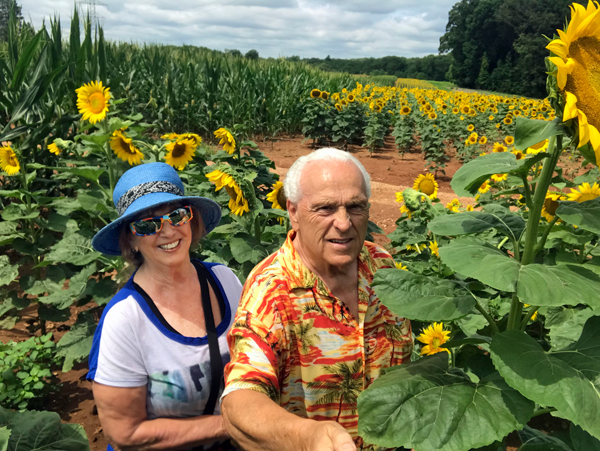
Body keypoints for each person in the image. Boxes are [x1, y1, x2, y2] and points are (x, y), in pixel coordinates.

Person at [221, 148, 413, 451]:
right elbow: (241, 398)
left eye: (355, 206)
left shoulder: (381, 266)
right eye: (325, 208)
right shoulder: (272, 291)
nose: (344, 222)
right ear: (293, 212)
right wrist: (305, 437)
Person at [87, 162, 242, 451]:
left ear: (191, 219)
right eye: (148, 224)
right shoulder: (126, 318)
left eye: (177, 215)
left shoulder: (225, 281)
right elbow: (125, 433)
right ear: (131, 238)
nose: (168, 231)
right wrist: (232, 425)